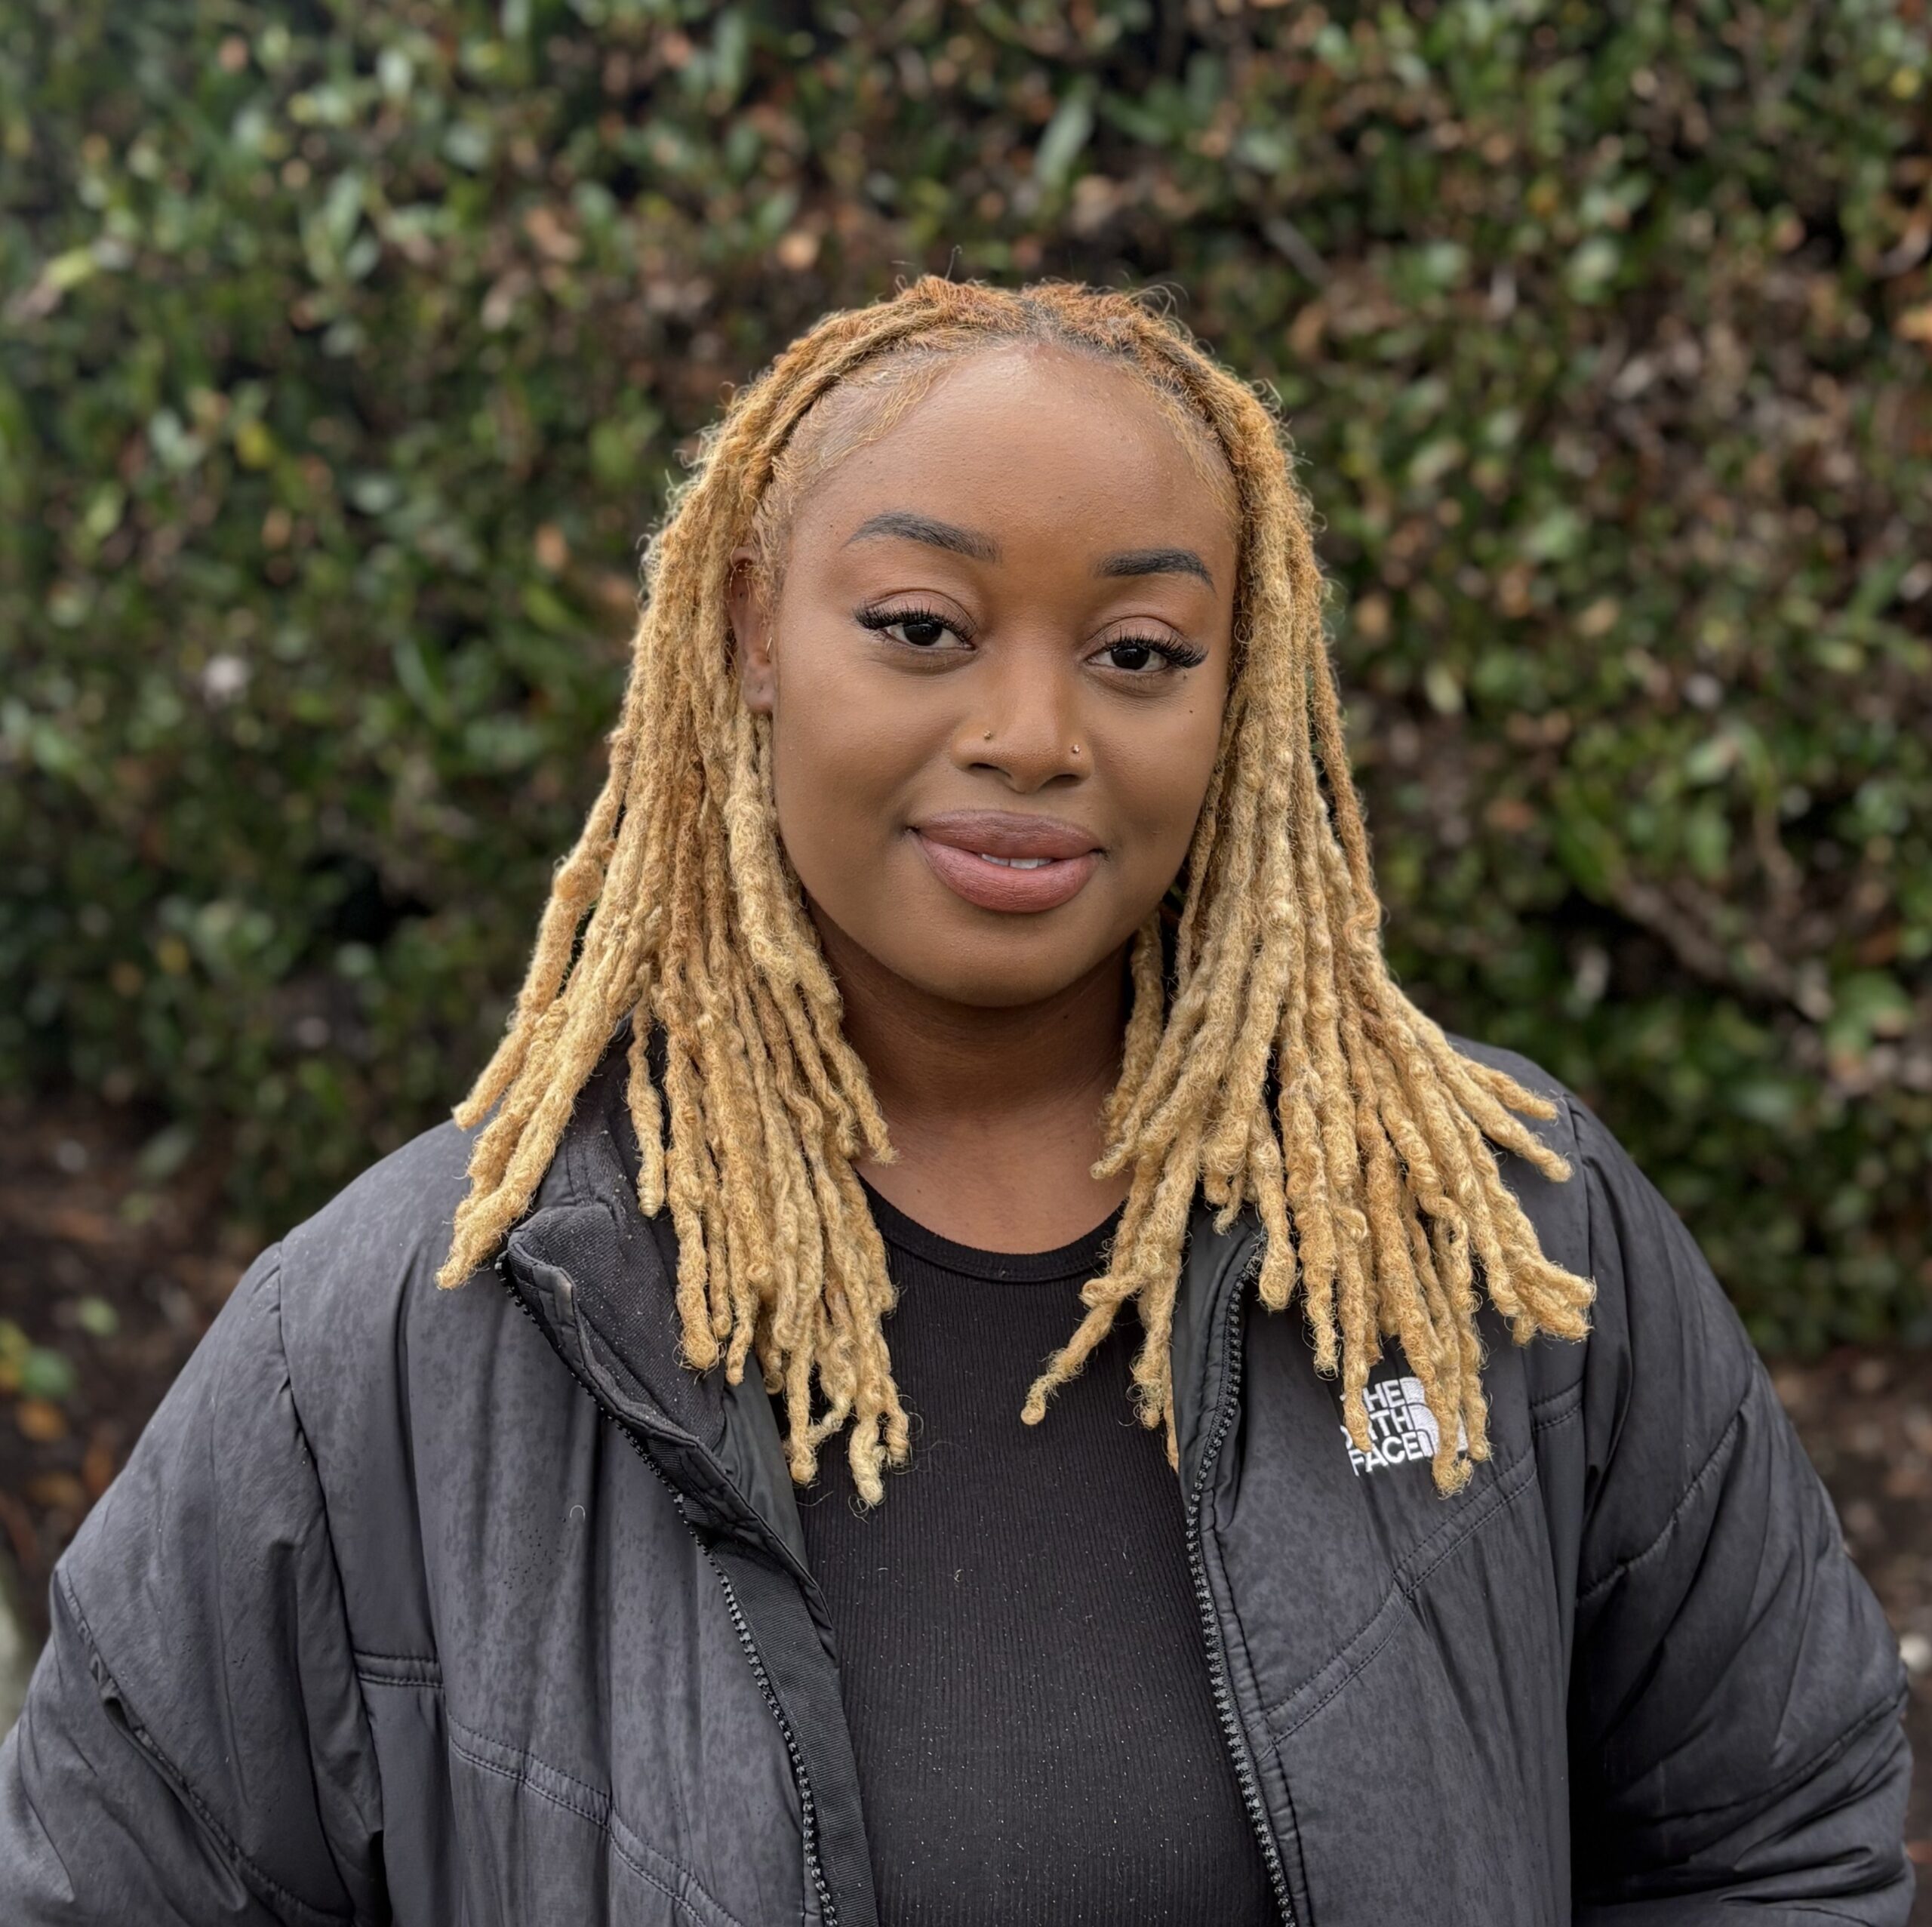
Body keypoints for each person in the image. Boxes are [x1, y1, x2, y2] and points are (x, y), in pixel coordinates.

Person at [0, 279, 1912, 1926]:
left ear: (1238, 692)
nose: (1029, 733)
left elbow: (1774, 1831)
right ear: (749, 630)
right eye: (920, 626)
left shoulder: (1495, 1235)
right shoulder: (401, 1334)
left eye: (1137, 653)